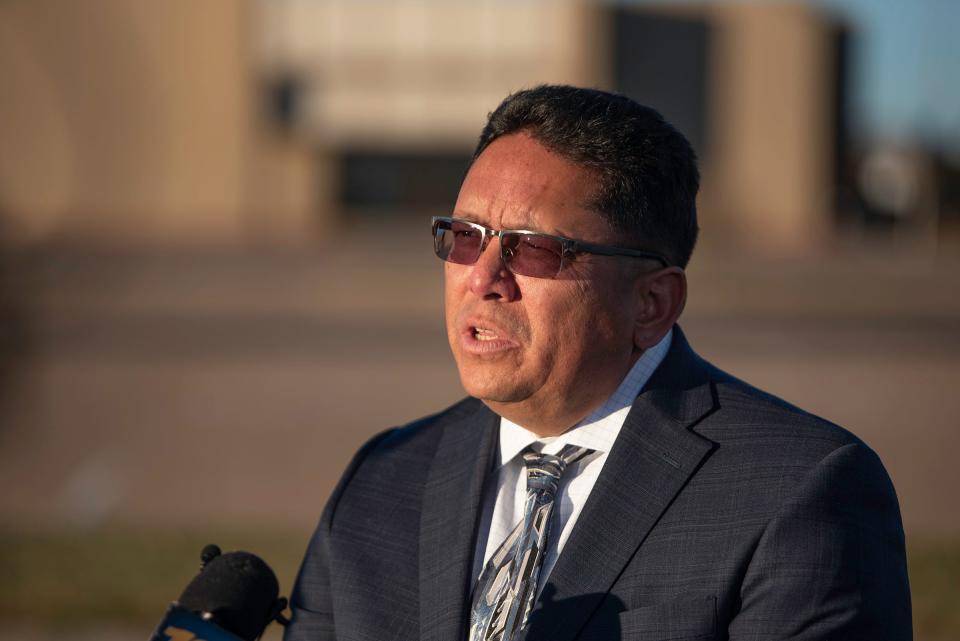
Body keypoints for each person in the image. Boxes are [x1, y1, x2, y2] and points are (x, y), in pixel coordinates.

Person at [285, 85, 911, 641]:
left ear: (652, 302)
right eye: (466, 235)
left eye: (533, 249)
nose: (483, 279)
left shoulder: (802, 490)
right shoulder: (383, 480)